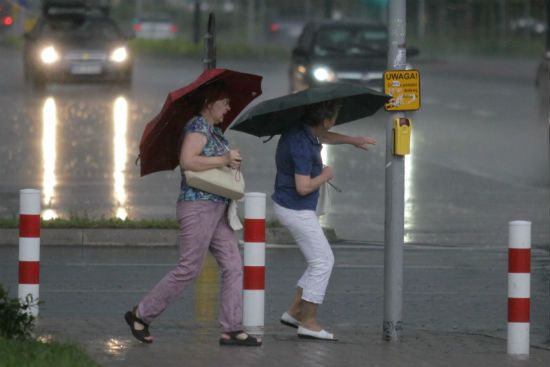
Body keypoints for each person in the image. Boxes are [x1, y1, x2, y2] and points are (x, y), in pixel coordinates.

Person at [124, 81, 261, 347]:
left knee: (233, 265)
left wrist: (229, 161)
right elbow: (188, 161)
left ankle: (231, 329)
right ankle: (140, 315)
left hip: (217, 208)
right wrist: (223, 159)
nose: (229, 108)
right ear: (209, 103)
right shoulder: (197, 127)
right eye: (224, 103)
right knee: (189, 268)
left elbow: (213, 164)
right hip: (197, 207)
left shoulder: (214, 131)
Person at [272, 100, 376, 341]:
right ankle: (308, 322)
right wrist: (325, 174)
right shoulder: (301, 146)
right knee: (323, 262)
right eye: (335, 117)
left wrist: (353, 140)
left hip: (290, 205)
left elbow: (324, 136)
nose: (335, 121)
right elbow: (303, 186)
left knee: (317, 260)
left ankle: (294, 312)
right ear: (326, 120)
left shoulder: (301, 130)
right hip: (295, 208)